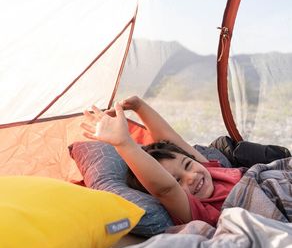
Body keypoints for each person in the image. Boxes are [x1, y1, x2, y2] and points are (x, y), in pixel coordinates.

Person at [81, 96, 243, 227]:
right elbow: (165, 189)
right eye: (178, 181)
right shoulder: (199, 211)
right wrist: (123, 143)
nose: (191, 177)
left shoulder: (210, 171)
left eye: (187, 165)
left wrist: (139, 107)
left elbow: (172, 140)